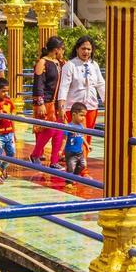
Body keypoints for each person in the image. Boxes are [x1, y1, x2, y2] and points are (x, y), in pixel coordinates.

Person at [30, 37, 66, 168]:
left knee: (60, 131)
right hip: (46, 102)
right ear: (56, 50)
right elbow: (38, 83)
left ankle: (54, 161)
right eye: (62, 49)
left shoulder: (61, 63)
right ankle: (35, 154)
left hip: (58, 103)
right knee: (49, 130)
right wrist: (40, 103)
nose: (63, 51)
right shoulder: (43, 62)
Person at [58, 36, 106, 133]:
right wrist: (61, 108)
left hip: (91, 107)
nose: (86, 52)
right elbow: (64, 87)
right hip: (74, 109)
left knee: (87, 138)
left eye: (89, 49)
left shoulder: (94, 65)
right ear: (77, 49)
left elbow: (101, 84)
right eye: (83, 48)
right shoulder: (70, 65)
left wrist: (106, 102)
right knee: (76, 139)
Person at [0, 76, 16, 175]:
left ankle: (2, 167)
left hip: (9, 133)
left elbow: (12, 117)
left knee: (11, 153)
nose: (6, 93)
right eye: (3, 91)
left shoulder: (9, 102)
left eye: (7, 91)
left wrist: (14, 132)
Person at [63, 101, 89, 177]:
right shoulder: (68, 126)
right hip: (70, 152)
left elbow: (82, 136)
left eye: (84, 116)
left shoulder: (81, 126)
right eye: (81, 115)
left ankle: (75, 176)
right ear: (74, 115)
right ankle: (69, 182)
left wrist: (87, 145)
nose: (83, 118)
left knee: (83, 165)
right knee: (70, 167)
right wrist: (61, 149)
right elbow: (64, 139)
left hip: (79, 152)